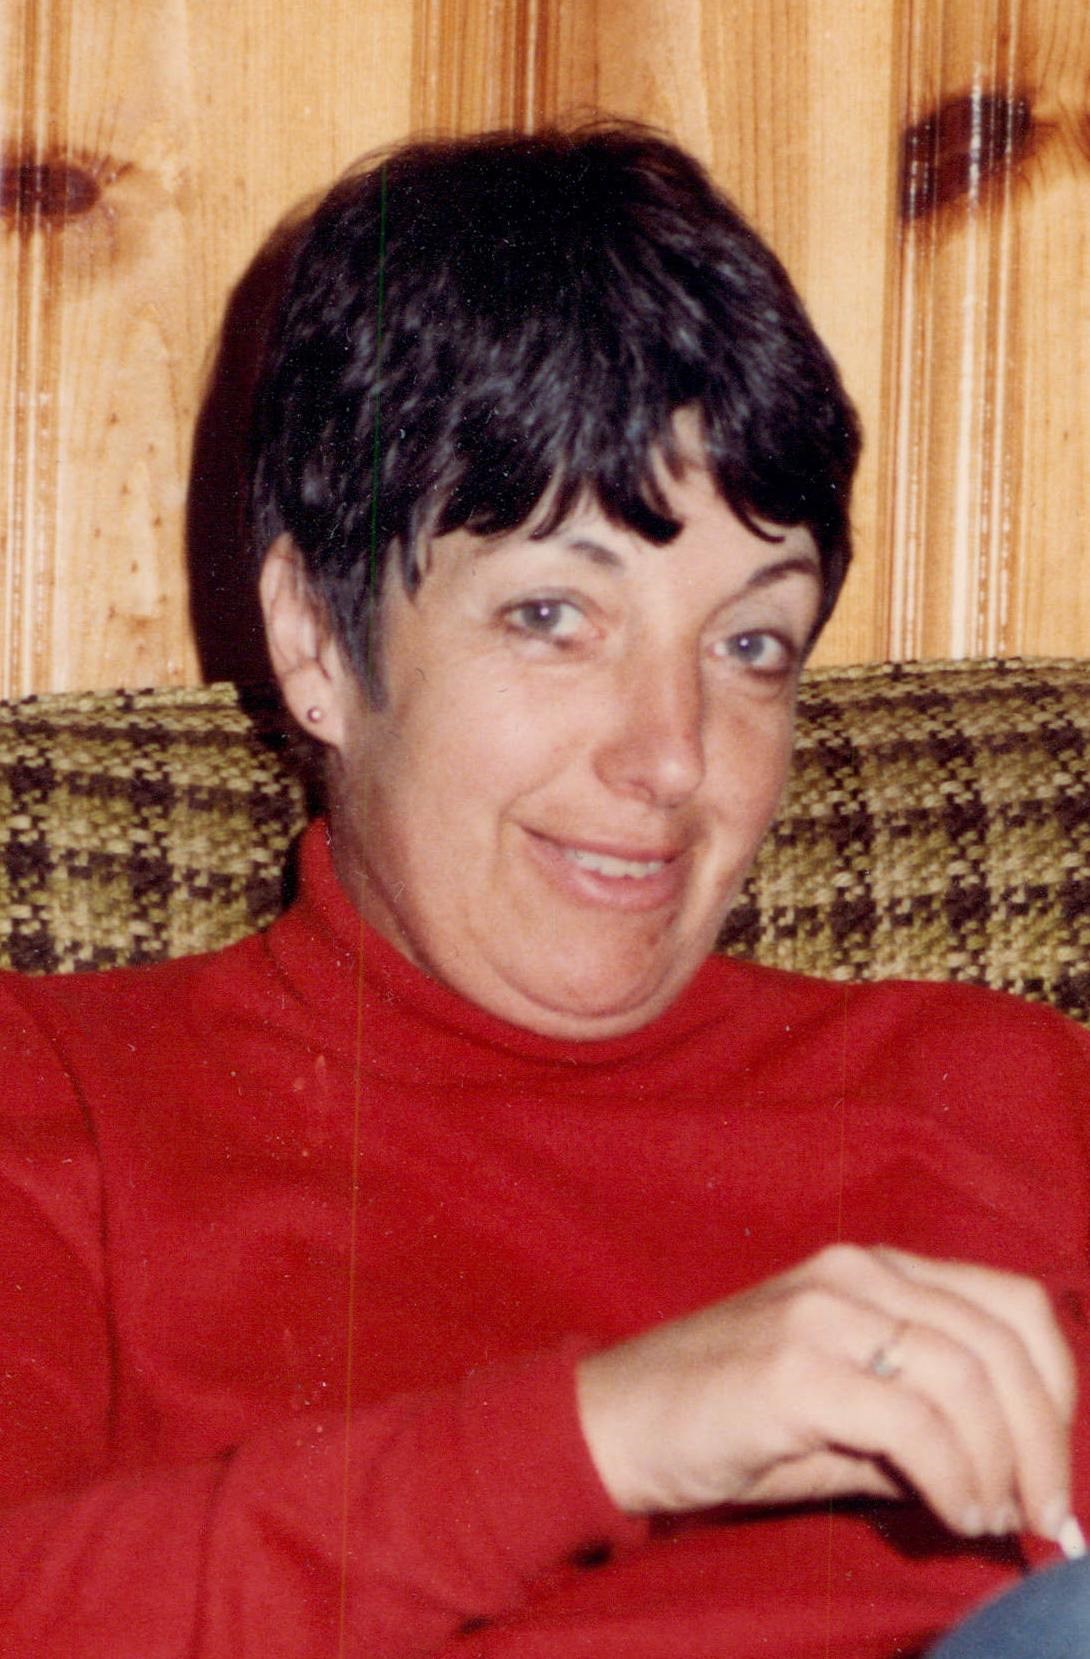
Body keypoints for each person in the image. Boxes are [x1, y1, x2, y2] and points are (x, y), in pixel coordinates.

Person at [1, 123, 1088, 1658]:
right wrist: (610, 1435)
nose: (670, 755)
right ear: (316, 642)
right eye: (551, 615)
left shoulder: (1003, 1092)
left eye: (749, 644)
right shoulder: (66, 1103)